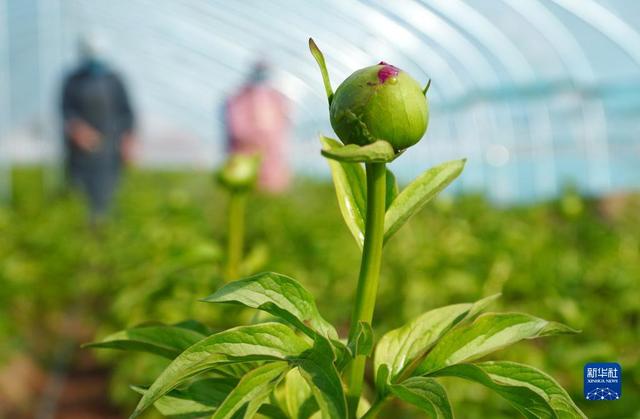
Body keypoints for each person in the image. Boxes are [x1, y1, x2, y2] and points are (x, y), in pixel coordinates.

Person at [61, 34, 135, 223]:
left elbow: (127, 112)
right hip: (79, 150)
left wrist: (128, 141)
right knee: (79, 192)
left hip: (110, 147)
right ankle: (82, 230)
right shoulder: (73, 80)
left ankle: (103, 227)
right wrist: (78, 130)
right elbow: (66, 110)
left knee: (106, 190)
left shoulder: (114, 80)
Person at [224, 62, 290, 193]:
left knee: (270, 192)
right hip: (244, 158)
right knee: (247, 190)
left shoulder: (277, 98)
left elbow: (283, 126)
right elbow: (237, 130)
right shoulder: (238, 98)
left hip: (271, 161)